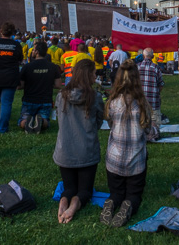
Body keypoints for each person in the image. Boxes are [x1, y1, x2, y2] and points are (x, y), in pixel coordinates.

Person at [101, 60, 152, 228]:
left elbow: (110, 124)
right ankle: (128, 206)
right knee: (133, 194)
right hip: (136, 161)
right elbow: (148, 128)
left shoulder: (112, 102)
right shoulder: (143, 104)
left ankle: (111, 203)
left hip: (114, 160)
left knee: (115, 193)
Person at [53, 59, 104, 224]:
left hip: (64, 151)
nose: (96, 76)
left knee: (69, 188)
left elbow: (59, 120)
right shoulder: (95, 97)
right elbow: (98, 122)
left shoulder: (61, 96)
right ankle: (75, 203)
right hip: (86, 151)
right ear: (88, 75)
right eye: (94, 73)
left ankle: (64, 200)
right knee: (85, 190)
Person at [0, 22, 23, 133]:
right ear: (12, 32)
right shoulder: (16, 45)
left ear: (1, 31)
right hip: (10, 77)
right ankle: (3, 128)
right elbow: (19, 59)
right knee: (6, 103)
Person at [19, 42, 62, 133]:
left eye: (33, 50)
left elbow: (20, 85)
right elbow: (58, 85)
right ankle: (41, 122)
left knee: (22, 120)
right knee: (45, 119)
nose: (32, 52)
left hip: (29, 99)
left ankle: (26, 122)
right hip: (45, 100)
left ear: (37, 52)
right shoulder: (53, 67)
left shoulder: (27, 66)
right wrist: (48, 83)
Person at [138, 48, 164, 126]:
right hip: (153, 101)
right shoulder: (156, 68)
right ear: (152, 56)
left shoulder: (137, 67)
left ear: (143, 56)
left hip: (140, 101)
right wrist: (156, 92)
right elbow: (161, 84)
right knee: (155, 126)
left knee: (140, 124)